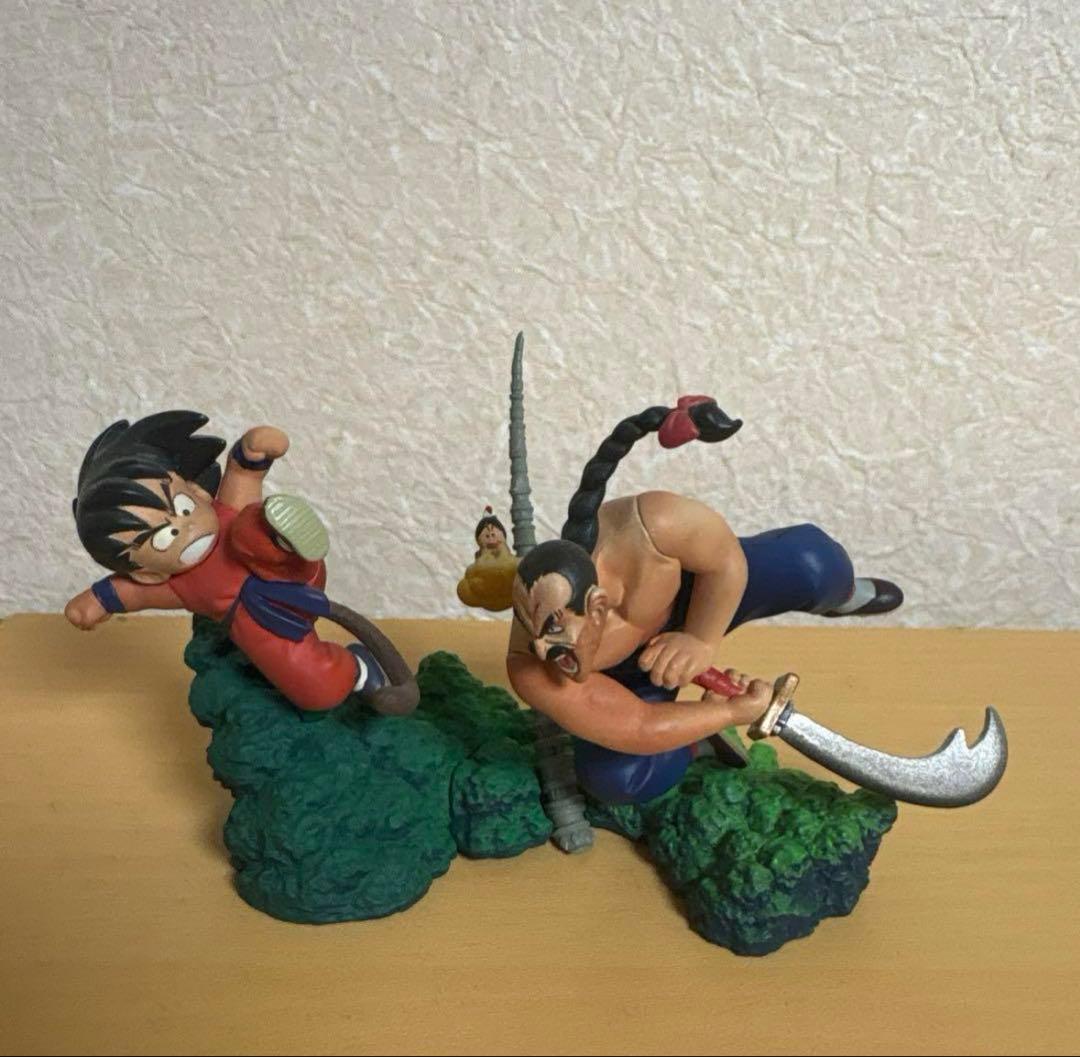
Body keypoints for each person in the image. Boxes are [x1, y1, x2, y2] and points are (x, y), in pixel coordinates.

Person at [506, 396, 903, 805]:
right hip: (633, 676)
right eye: (536, 634)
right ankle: (697, 743)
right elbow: (637, 724)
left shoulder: (651, 526)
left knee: (814, 562)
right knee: (619, 778)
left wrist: (699, 638)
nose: (543, 650)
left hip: (704, 595)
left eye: (556, 632)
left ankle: (843, 595)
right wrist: (728, 713)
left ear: (597, 607)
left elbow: (726, 561)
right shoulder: (532, 665)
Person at [65, 410, 385, 711]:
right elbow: (130, 593)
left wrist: (253, 452)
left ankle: (282, 538)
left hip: (295, 570)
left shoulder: (227, 516)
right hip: (260, 622)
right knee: (315, 688)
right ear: (149, 573)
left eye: (183, 507)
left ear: (197, 491)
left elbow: (243, 476)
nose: (184, 527)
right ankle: (357, 669)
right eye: (163, 537)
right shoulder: (176, 585)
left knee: (246, 529)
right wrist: (96, 601)